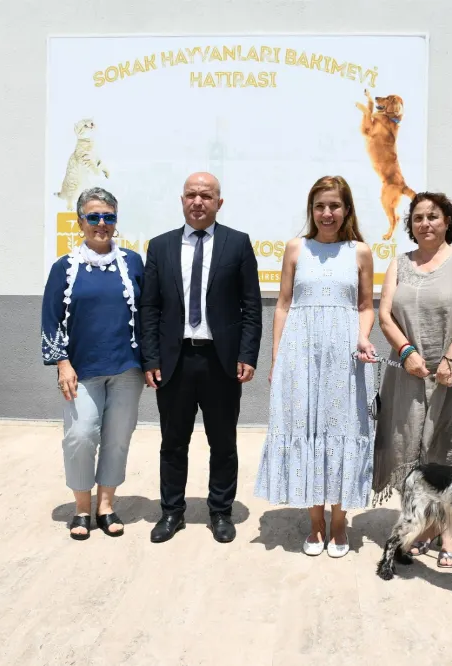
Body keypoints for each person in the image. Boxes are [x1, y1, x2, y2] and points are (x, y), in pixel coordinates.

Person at [254, 175, 377, 558]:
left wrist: (363, 336)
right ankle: (315, 521)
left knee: (342, 430)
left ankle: (338, 521)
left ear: (346, 209)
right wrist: (277, 359)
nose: (327, 213)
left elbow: (365, 306)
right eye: (320, 206)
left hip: (345, 356)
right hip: (300, 355)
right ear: (311, 210)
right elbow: (283, 305)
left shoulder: (360, 252)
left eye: (334, 206)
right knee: (305, 428)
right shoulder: (296, 248)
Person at [140, 172, 262, 544]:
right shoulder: (160, 246)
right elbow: (149, 307)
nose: (198, 201)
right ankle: (171, 512)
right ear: (182, 200)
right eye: (191, 194)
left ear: (218, 203)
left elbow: (251, 306)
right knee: (172, 443)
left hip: (220, 362)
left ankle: (221, 512)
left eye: (206, 195)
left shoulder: (237, 243)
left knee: (223, 443)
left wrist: (247, 354)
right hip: (174, 362)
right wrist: (150, 358)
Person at [371, 191, 452, 568]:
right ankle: (425, 523)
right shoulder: (399, 264)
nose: (425, 223)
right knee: (410, 445)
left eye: (433, 216)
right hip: (408, 371)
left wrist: (451, 358)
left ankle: (451, 529)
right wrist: (406, 351)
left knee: (449, 447)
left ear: (447, 221)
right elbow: (385, 315)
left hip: (451, 372)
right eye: (418, 217)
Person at [41, 187, 145, 541]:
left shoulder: (133, 263)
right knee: (80, 435)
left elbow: (148, 313)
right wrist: (62, 363)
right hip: (81, 370)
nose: (102, 223)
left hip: (127, 369)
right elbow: (51, 320)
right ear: (80, 221)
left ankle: (106, 505)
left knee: (117, 437)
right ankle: (82, 508)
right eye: (94, 216)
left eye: (109, 217)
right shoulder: (64, 268)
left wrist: (152, 361)